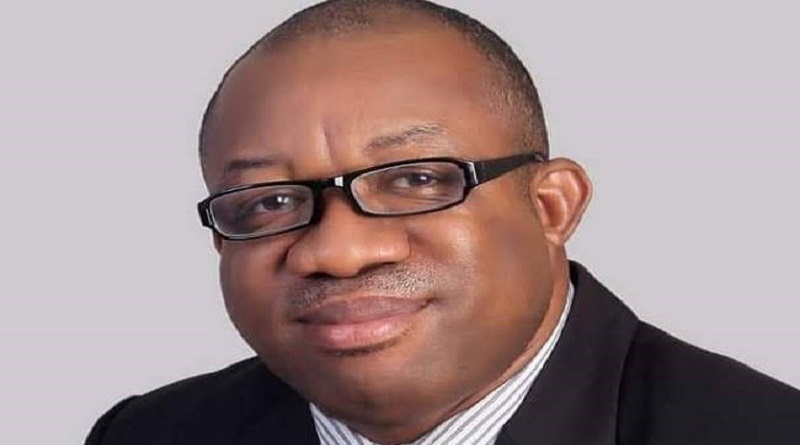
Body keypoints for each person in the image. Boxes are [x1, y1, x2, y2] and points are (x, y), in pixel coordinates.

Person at [85, 0, 800, 444]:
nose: (338, 250)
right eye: (269, 202)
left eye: (416, 179)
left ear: (552, 206)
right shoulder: (148, 434)